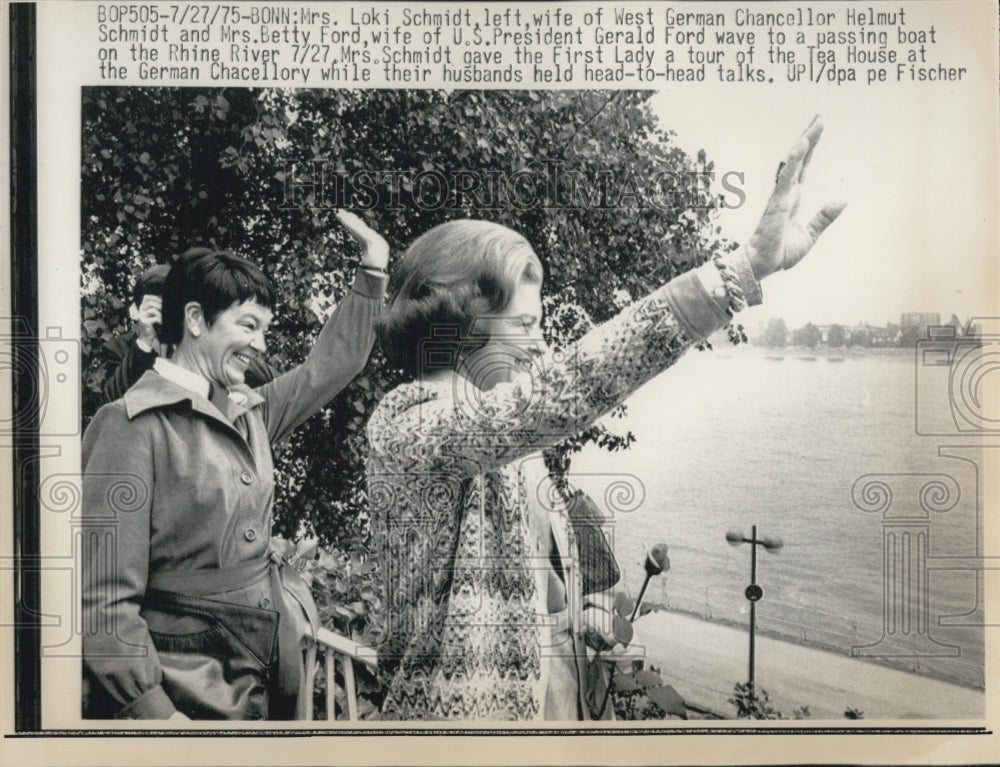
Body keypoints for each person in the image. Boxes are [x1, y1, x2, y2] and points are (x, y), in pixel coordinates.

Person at [366, 118, 846, 720]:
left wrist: (580, 610)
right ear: (458, 323)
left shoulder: (504, 436)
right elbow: (566, 389)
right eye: (526, 326)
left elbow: (532, 576)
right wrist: (740, 270)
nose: (540, 348)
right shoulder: (408, 424)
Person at [81, 211, 389, 720]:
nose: (261, 345)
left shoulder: (250, 411)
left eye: (265, 330)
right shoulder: (128, 425)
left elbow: (329, 366)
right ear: (197, 320)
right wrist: (156, 714)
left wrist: (372, 269)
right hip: (184, 695)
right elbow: (104, 603)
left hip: (266, 677)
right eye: (248, 326)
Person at [101, 255, 278, 404]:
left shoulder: (197, 342)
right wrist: (144, 342)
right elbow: (112, 403)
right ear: (139, 310)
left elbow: (272, 380)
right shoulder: (119, 349)